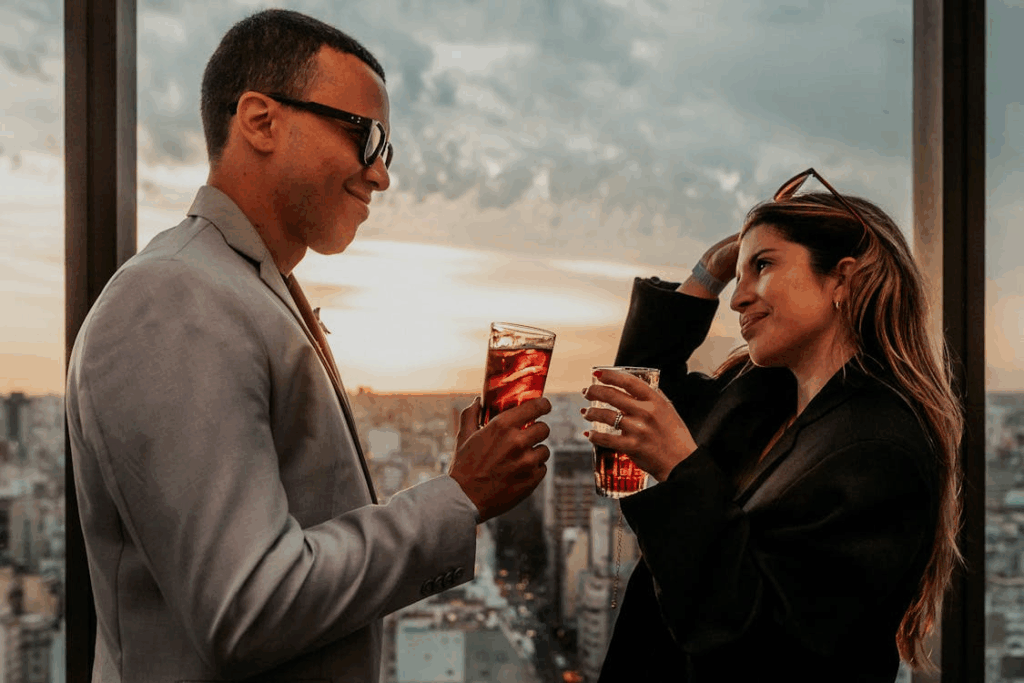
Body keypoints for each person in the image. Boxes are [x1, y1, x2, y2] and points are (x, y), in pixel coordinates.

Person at [64, 9, 551, 683]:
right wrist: (457, 497)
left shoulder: (241, 287)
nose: (380, 175)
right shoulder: (176, 296)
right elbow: (251, 606)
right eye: (366, 137)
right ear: (261, 120)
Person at [582, 168, 963, 682]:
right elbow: (640, 387)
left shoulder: (881, 446)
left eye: (762, 266)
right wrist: (709, 270)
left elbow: (769, 651)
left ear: (843, 280)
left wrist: (680, 468)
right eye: (738, 277)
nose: (737, 298)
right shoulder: (763, 396)